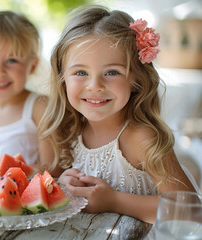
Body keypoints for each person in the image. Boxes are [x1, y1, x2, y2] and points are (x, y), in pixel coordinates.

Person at [39, 5, 195, 223]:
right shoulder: (68, 132)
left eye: (112, 72)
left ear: (136, 80)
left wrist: (113, 201)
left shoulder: (141, 138)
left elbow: (188, 209)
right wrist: (63, 184)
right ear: (62, 78)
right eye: (81, 72)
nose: (95, 85)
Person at [0, 11, 62, 176]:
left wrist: (5, 174)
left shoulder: (39, 107)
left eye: (12, 60)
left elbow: (53, 168)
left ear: (31, 66)